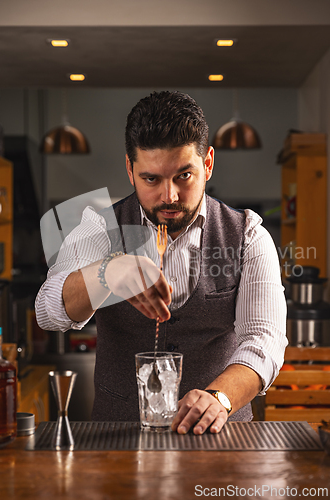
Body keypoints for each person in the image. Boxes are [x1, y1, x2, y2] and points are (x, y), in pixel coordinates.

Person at [35, 90, 287, 435]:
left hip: (220, 441)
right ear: (130, 168)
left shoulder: (247, 235)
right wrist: (107, 272)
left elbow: (264, 339)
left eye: (184, 176)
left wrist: (220, 398)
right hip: (115, 440)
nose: (169, 196)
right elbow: (48, 312)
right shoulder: (100, 226)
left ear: (208, 163)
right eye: (151, 179)